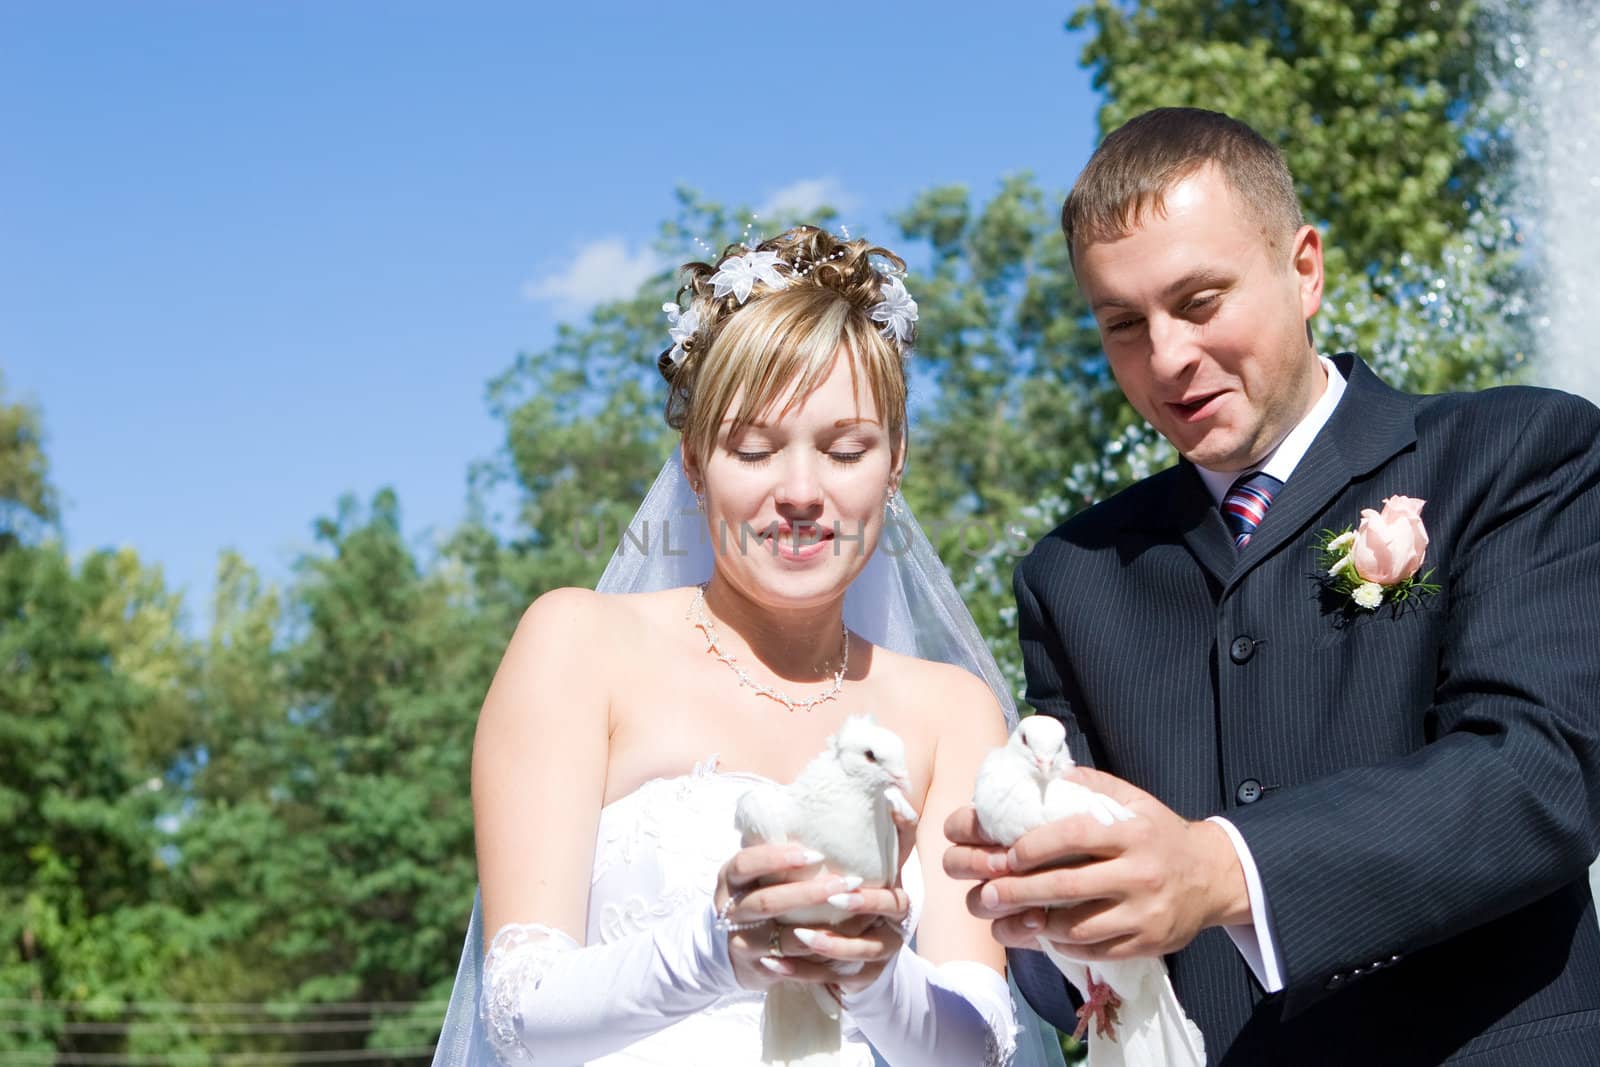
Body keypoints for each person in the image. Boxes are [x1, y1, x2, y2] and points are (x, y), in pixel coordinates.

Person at [942, 107, 1600, 1064]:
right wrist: (1034, 905)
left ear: (1305, 269)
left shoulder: (1521, 452)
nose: (1166, 358)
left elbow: (1538, 776)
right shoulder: (1070, 574)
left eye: (1200, 301)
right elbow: (1077, 958)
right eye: (1123, 324)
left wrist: (1224, 869)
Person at [430, 226, 1063, 1066]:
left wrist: (875, 974)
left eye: (845, 449)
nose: (801, 493)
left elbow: (976, 1046)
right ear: (694, 463)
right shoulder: (580, 645)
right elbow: (517, 1010)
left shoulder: (951, 710)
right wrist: (718, 947)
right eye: (754, 448)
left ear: (895, 461)